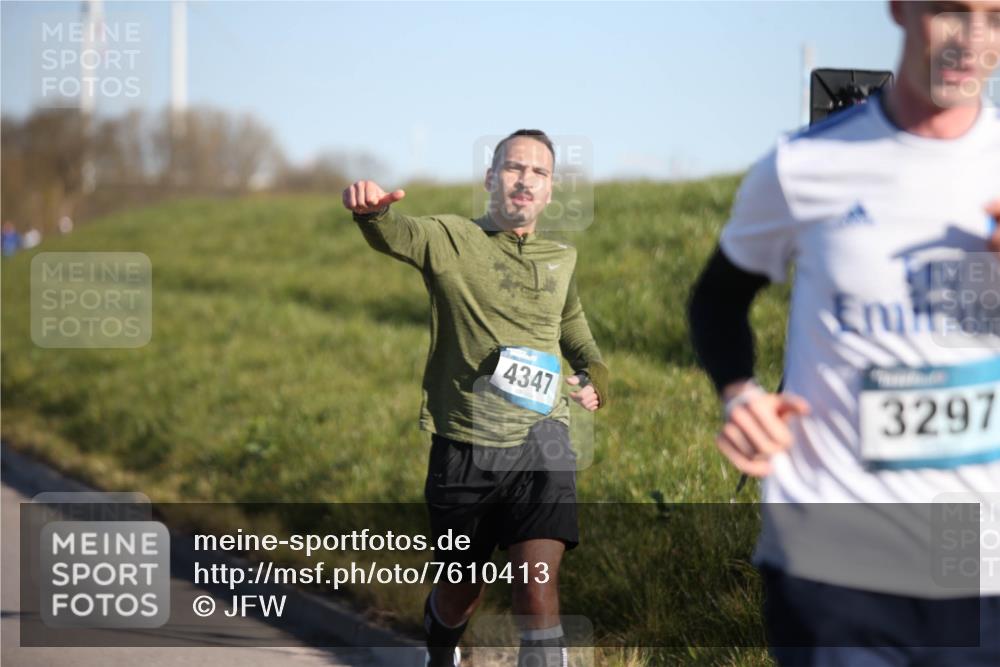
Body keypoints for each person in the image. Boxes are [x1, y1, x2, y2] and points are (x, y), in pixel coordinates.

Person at [688, 1, 1000, 664]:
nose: (973, 39)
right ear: (900, 9)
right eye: (950, 11)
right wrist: (740, 394)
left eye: (997, 17)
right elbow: (716, 300)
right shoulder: (804, 166)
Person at [342, 129, 608, 667]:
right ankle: (441, 654)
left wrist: (595, 368)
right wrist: (372, 213)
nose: (525, 180)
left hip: (544, 441)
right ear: (491, 178)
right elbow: (398, 234)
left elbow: (571, 322)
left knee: (537, 592)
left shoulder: (561, 256)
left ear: (551, 189)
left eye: (539, 172)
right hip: (465, 445)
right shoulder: (450, 238)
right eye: (514, 168)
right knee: (462, 590)